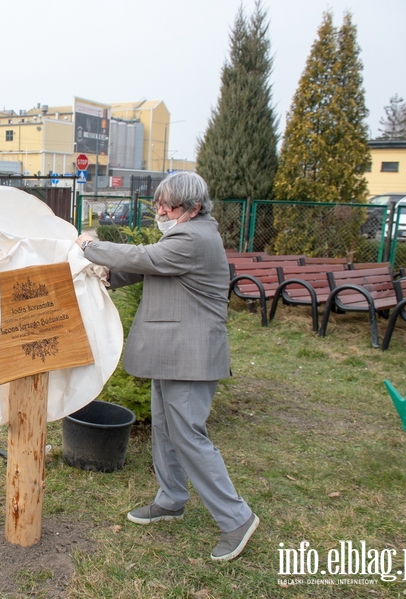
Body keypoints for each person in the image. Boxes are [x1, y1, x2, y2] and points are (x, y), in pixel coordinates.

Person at [75, 171, 258, 561]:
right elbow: (152, 270)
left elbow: (148, 258)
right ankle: (171, 498)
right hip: (174, 351)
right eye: (158, 202)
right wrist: (107, 275)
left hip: (190, 356)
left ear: (192, 208)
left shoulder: (193, 237)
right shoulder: (185, 233)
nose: (159, 210)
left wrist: (92, 247)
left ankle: (236, 518)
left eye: (167, 205)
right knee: (165, 428)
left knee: (188, 435)